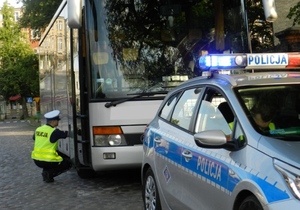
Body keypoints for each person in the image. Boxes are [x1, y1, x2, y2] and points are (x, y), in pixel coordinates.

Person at [31, 110, 72, 183]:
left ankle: (46, 172)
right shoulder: (54, 132)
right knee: (68, 163)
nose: (58, 122)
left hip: (36, 159)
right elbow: (67, 134)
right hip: (47, 160)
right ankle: (49, 174)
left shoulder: (38, 129)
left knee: (57, 155)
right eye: (57, 120)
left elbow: (34, 138)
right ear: (53, 121)